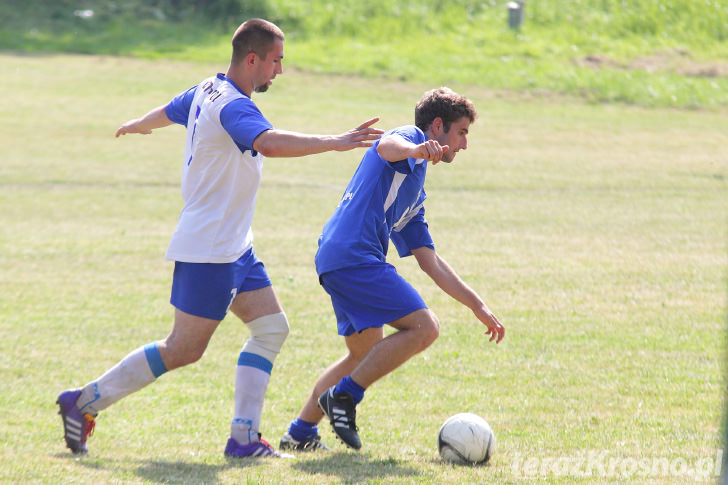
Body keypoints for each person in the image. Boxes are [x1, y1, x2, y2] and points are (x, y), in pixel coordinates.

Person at [56, 18, 382, 459]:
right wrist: (338, 141)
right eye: (275, 61)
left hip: (234, 246)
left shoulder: (208, 87)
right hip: (210, 249)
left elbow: (173, 109)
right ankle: (84, 401)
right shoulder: (234, 106)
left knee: (270, 328)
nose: (279, 71)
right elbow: (267, 143)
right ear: (252, 59)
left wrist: (140, 123)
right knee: (183, 349)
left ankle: (243, 438)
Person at [279, 87, 505, 452]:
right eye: (461, 132)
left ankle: (300, 432)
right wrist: (417, 149)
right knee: (424, 328)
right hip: (354, 256)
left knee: (361, 354)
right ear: (437, 126)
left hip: (336, 257)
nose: (464, 144)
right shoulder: (410, 139)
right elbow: (386, 146)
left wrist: (477, 305)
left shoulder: (414, 191)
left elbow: (429, 261)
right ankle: (344, 397)